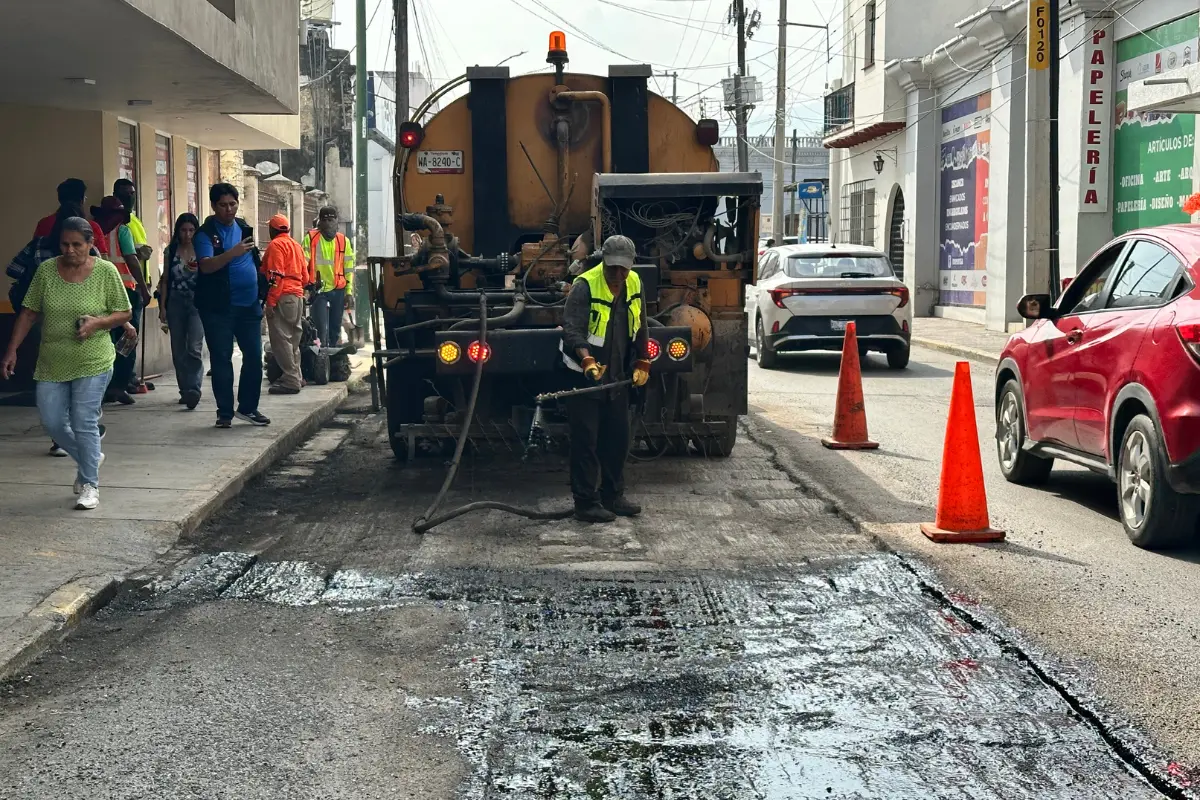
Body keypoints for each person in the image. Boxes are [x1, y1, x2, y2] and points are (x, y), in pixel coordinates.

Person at [1, 218, 132, 510]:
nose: (70, 250)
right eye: (64, 244)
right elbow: (29, 313)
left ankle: (89, 484)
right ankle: (91, 456)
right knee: (51, 421)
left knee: (84, 420)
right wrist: (12, 350)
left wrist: (98, 322)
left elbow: (123, 312)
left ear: (90, 244)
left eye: (77, 244)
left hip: (93, 358)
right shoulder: (47, 271)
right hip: (52, 359)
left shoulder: (105, 272)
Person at [560, 235, 652, 524]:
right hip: (584, 376)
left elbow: (642, 324)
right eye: (612, 268)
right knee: (586, 440)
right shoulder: (584, 285)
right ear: (603, 261)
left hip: (618, 377)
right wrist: (586, 360)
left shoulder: (634, 283)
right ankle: (585, 502)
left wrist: (643, 361)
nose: (618, 274)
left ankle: (613, 495)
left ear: (631, 265)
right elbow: (571, 330)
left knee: (618, 438)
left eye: (623, 268)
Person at [194, 183, 271, 429]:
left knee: (254, 358)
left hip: (249, 306)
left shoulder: (243, 227)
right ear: (214, 206)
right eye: (223, 205)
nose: (229, 209)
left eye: (233, 204)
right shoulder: (205, 234)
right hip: (219, 308)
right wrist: (233, 253)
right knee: (222, 359)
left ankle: (248, 408)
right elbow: (206, 266)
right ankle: (224, 412)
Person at [92, 196, 150, 405]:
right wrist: (143, 288)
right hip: (125, 292)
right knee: (127, 340)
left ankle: (107, 387)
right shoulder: (122, 231)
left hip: (100, 295)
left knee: (108, 341)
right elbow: (132, 259)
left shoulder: (94, 232)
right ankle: (119, 386)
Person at [260, 213, 311, 395]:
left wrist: (271, 302)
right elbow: (306, 277)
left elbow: (275, 276)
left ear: (272, 230)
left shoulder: (275, 246)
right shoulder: (296, 245)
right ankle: (296, 376)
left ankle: (291, 380)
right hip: (297, 297)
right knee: (293, 341)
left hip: (283, 295)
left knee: (281, 340)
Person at [159, 213, 204, 409]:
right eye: (184, 230)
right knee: (178, 349)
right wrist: (162, 306)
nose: (187, 235)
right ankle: (185, 390)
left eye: (191, 230)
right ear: (178, 231)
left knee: (193, 346)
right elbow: (165, 280)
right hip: (175, 301)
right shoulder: (171, 251)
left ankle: (194, 388)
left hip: (197, 302)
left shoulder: (202, 249)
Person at [302, 206, 354, 347]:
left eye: (331, 220)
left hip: (338, 290)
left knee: (335, 330)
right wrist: (305, 286)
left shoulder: (344, 241)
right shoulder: (311, 239)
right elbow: (302, 265)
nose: (328, 224)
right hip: (318, 291)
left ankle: (331, 361)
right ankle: (321, 360)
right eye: (325, 220)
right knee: (319, 329)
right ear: (320, 222)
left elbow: (348, 269)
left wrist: (348, 292)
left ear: (336, 221)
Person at [33, 178, 108, 256]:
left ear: (60, 199)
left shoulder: (44, 224)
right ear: (81, 200)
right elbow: (103, 257)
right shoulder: (92, 227)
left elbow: (36, 251)